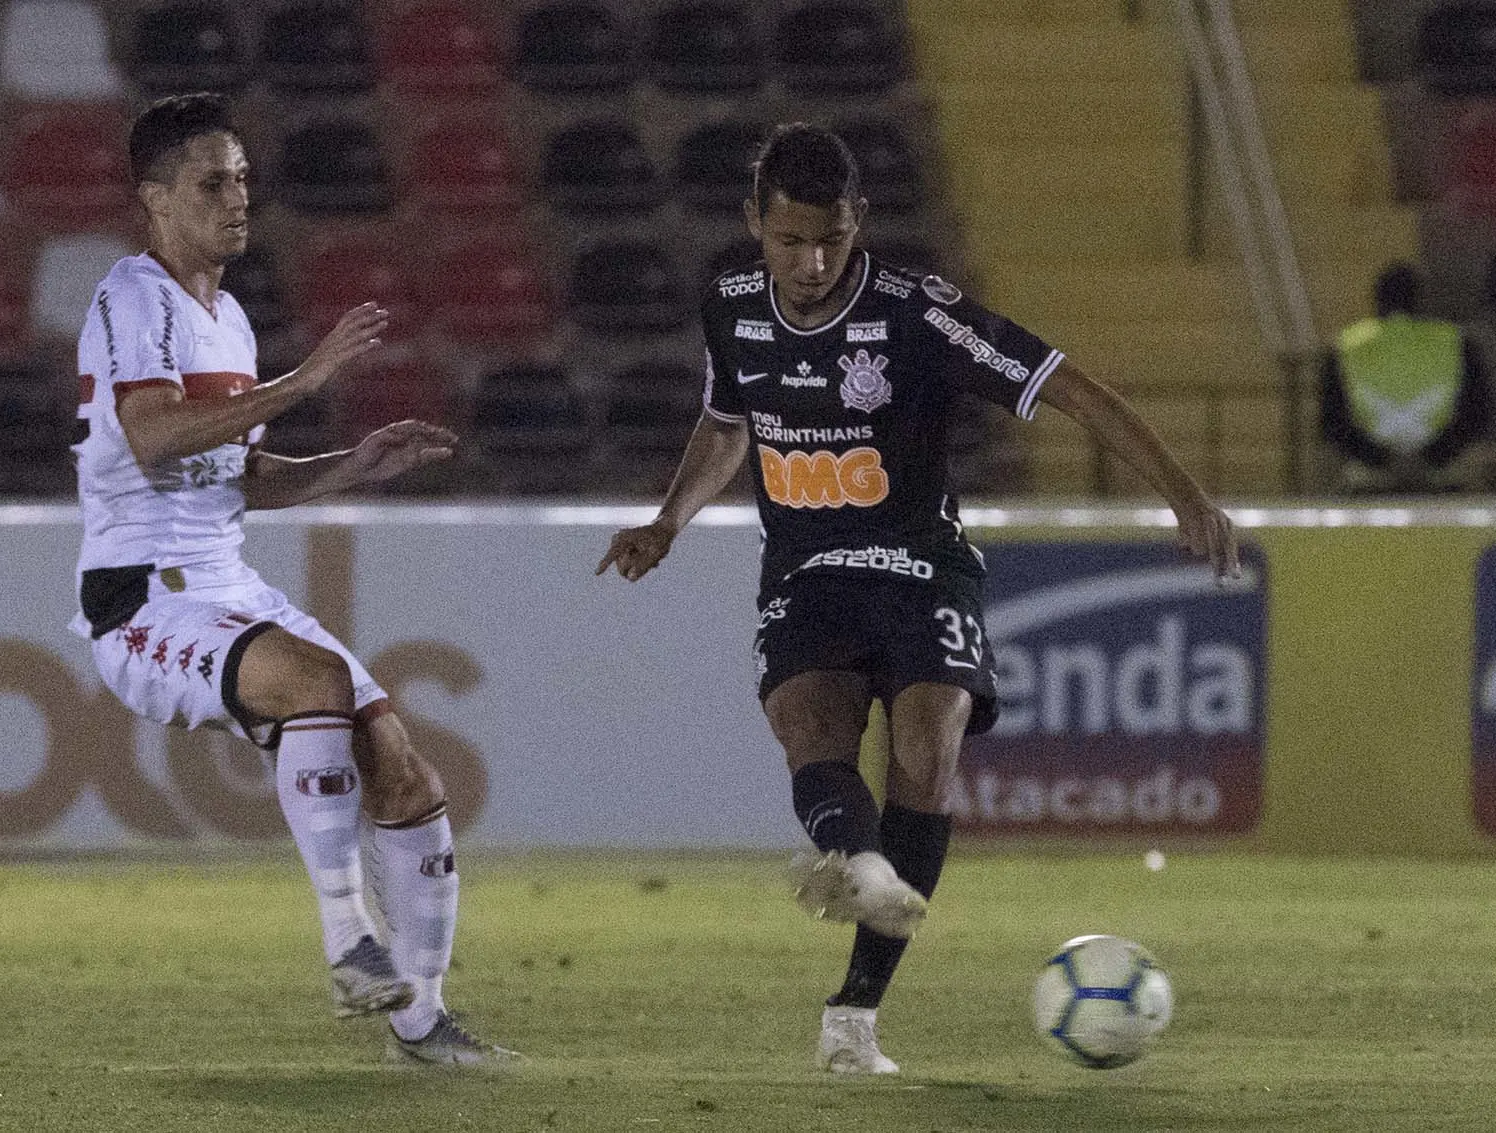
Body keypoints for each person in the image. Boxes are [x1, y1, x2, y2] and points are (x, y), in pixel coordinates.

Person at [597, 123, 1239, 1075]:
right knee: (807, 732)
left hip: (916, 562)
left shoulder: (916, 314)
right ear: (753, 226)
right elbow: (727, 423)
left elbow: (1072, 390)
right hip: (806, 571)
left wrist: (1184, 492)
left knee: (925, 748)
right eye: (789, 241)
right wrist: (667, 521)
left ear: (858, 223)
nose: (812, 263)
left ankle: (854, 1014)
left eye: (831, 239)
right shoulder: (730, 308)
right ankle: (862, 866)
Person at [70, 93, 514, 1066]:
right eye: (211, 182)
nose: (238, 199)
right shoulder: (128, 298)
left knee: (397, 756)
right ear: (154, 198)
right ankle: (349, 939)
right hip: (141, 593)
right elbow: (151, 438)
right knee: (315, 685)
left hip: (224, 581)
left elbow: (245, 475)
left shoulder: (227, 319)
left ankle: (423, 1019)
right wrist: (307, 383)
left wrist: (354, 461)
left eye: (241, 179)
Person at [1319, 261, 1493, 492]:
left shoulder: (1346, 346)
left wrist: (1379, 457)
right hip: (1441, 471)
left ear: (1378, 300)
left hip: (1373, 473)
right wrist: (1435, 455)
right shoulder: (1456, 343)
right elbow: (1477, 414)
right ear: (1422, 300)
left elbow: (1332, 422)